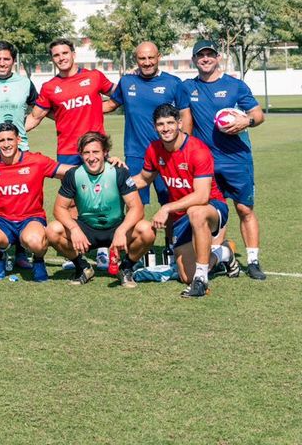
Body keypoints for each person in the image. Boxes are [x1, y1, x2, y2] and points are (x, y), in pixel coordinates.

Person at [181, 40, 267, 280]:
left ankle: (253, 260)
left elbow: (258, 114)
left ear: (217, 57)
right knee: (213, 211)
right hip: (206, 162)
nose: (205, 59)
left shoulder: (235, 86)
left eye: (209, 55)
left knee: (243, 208)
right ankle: (217, 255)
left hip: (236, 159)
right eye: (201, 56)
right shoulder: (188, 87)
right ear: (194, 60)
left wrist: (245, 122)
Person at [133, 103, 231, 298]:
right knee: (186, 275)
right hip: (182, 216)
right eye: (160, 124)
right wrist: (114, 180)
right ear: (155, 127)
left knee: (196, 211)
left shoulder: (197, 150)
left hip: (212, 207)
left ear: (179, 123)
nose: (166, 128)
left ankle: (201, 280)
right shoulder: (154, 148)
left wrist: (167, 208)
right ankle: (224, 253)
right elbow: (143, 179)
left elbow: (202, 196)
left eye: (170, 122)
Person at [46, 132, 155, 288]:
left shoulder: (119, 172)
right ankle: (82, 267)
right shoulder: (73, 174)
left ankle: (126, 268)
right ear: (80, 154)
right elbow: (59, 208)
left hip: (116, 226)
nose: (91, 157)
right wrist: (74, 229)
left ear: (105, 152)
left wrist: (121, 231)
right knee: (52, 230)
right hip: (86, 229)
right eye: (86, 153)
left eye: (96, 152)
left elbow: (136, 208)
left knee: (147, 230)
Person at [0, 123, 61, 282]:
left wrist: (103, 164)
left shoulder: (36, 161)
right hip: (3, 221)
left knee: (35, 242)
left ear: (18, 139)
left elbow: (67, 171)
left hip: (31, 218)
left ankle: (38, 261)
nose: (6, 144)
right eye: (2, 140)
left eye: (10, 139)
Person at [110, 42, 191, 205]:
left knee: (171, 202)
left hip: (167, 153)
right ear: (136, 59)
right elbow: (110, 105)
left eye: (151, 57)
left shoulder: (173, 82)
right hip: (135, 153)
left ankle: (172, 232)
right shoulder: (126, 82)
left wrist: (183, 147)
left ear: (158, 57)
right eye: (142, 58)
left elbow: (185, 114)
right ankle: (134, 231)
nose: (147, 62)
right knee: (134, 203)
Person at [25, 38, 116, 166]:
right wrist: (10, 134)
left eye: (65, 53)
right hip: (67, 152)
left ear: (73, 54)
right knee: (70, 186)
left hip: (96, 148)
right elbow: (34, 117)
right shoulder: (49, 87)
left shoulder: (94, 76)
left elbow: (119, 93)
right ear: (52, 59)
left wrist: (108, 105)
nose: (61, 58)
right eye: (56, 55)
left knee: (100, 186)